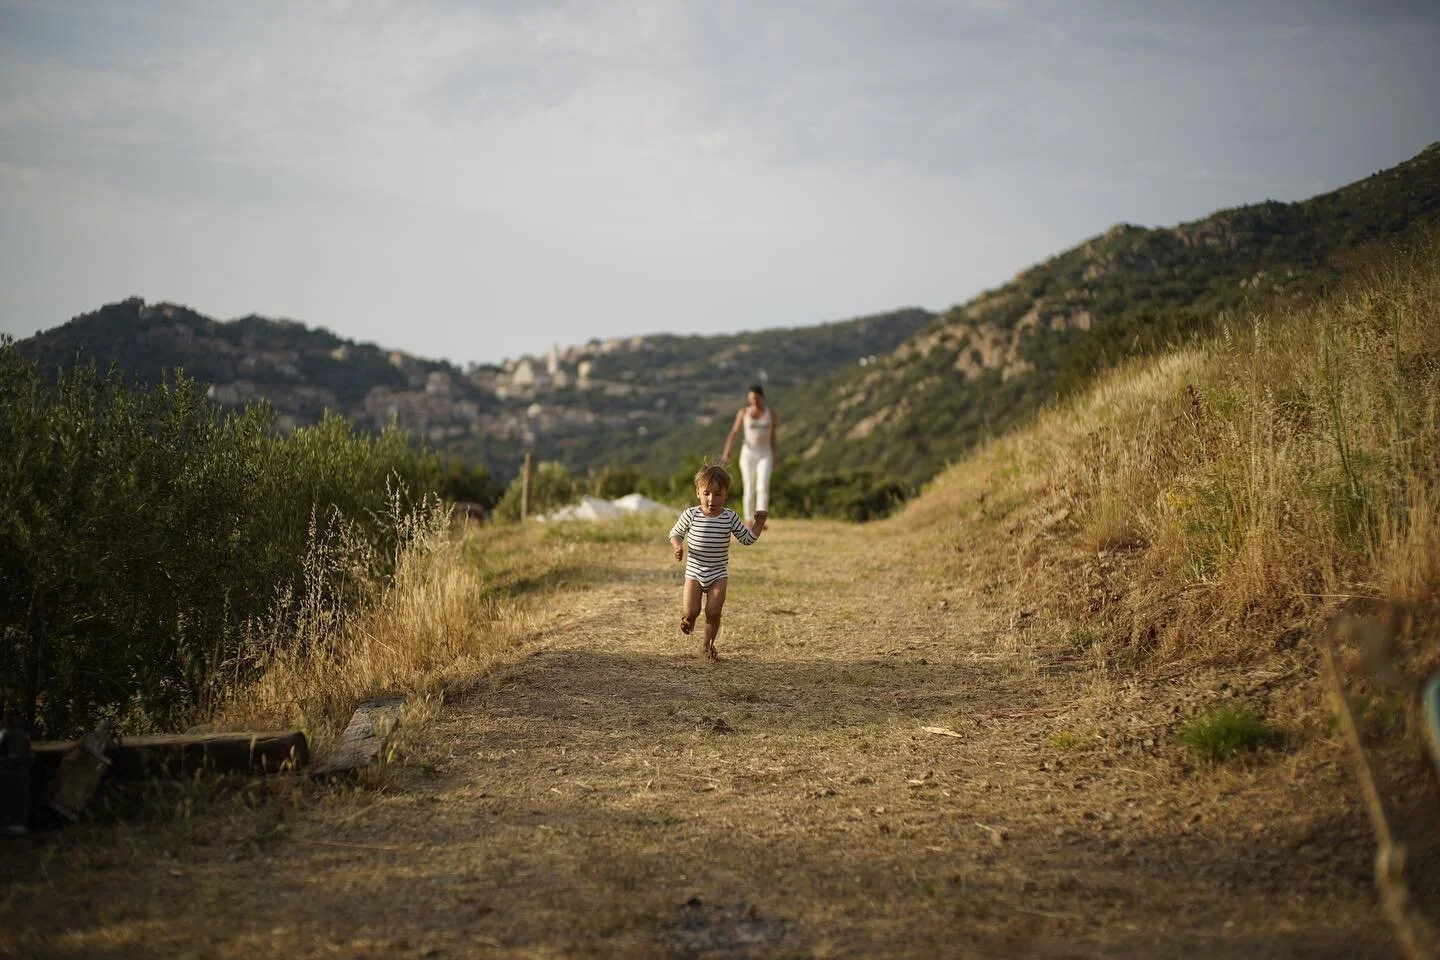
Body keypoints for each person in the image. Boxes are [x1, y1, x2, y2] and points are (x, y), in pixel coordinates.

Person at [668, 463, 763, 661]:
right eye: (707, 493)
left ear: (726, 494)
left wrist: (758, 525)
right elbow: (675, 533)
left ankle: (707, 646)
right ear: (698, 493)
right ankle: (688, 618)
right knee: (692, 610)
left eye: (718, 494)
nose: (712, 499)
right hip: (694, 571)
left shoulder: (729, 517)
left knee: (713, 611)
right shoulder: (691, 515)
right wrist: (678, 546)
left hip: (718, 573)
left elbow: (746, 539)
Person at [721, 384, 777, 528]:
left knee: (763, 486)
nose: (755, 401)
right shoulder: (743, 413)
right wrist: (727, 450)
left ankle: (761, 520)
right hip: (748, 454)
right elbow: (734, 432)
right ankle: (748, 519)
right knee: (749, 486)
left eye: (757, 398)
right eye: (752, 398)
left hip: (765, 454)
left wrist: (776, 456)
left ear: (762, 397)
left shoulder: (771, 413)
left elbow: (773, 437)